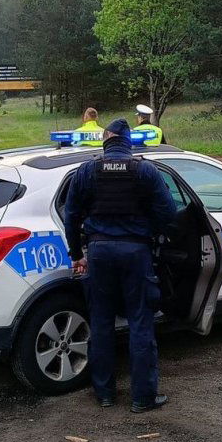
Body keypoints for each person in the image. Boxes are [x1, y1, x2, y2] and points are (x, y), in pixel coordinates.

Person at [62, 118, 177, 413]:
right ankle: (143, 398)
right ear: (128, 141)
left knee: (100, 323)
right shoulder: (144, 171)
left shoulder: (88, 170)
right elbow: (169, 211)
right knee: (140, 324)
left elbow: (71, 214)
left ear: (105, 140)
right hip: (136, 253)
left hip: (98, 253)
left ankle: (105, 394)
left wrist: (77, 253)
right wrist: (152, 233)